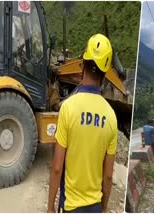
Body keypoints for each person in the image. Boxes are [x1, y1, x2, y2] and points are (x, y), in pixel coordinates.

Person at [47, 34, 117, 213]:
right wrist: (104, 207)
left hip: (71, 206)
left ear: (83, 64)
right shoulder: (111, 117)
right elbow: (108, 176)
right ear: (105, 73)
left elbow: (57, 168)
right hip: (94, 206)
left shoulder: (68, 108)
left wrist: (50, 208)